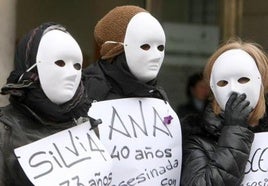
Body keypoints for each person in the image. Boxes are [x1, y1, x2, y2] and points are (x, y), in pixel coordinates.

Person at [83, 5, 182, 185]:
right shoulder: (85, 95)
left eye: (161, 47)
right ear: (116, 48)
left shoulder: (157, 99)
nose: (156, 56)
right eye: (145, 46)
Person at [0, 22, 94, 185]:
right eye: (60, 63)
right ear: (31, 67)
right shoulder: (3, 132)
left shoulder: (86, 124)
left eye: (77, 65)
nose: (72, 74)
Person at [181, 39, 268, 186]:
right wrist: (235, 131)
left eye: (243, 79)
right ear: (213, 88)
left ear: (261, 81)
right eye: (223, 83)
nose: (233, 90)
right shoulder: (199, 137)